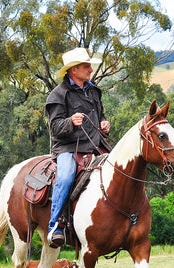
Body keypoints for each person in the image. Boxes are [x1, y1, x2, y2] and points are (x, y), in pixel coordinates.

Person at [45, 47, 111, 248]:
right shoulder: (58, 95)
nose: (91, 70)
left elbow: (100, 115)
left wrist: (104, 123)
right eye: (86, 66)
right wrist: (70, 122)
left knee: (121, 169)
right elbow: (54, 128)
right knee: (65, 177)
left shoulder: (93, 90)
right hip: (67, 148)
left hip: (95, 145)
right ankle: (55, 226)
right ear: (73, 70)